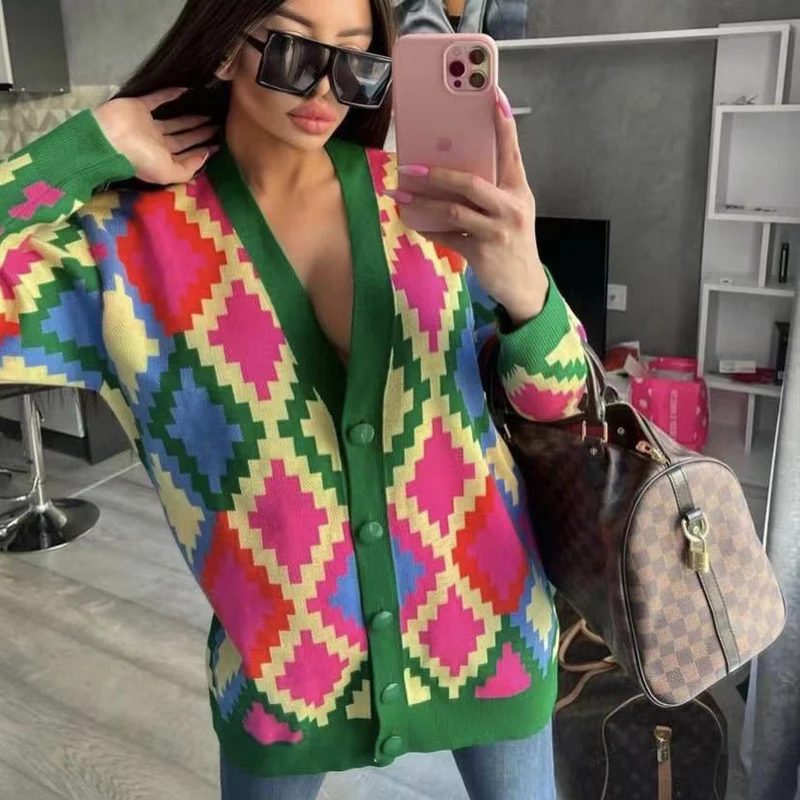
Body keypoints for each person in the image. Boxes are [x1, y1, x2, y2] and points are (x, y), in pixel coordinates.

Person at [0, 0, 587, 797]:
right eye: (293, 51)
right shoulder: (123, 248)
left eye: (356, 61)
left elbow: (558, 401)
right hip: (281, 681)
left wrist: (526, 290)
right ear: (223, 48)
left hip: (496, 633)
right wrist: (87, 145)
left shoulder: (427, 204)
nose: (325, 89)